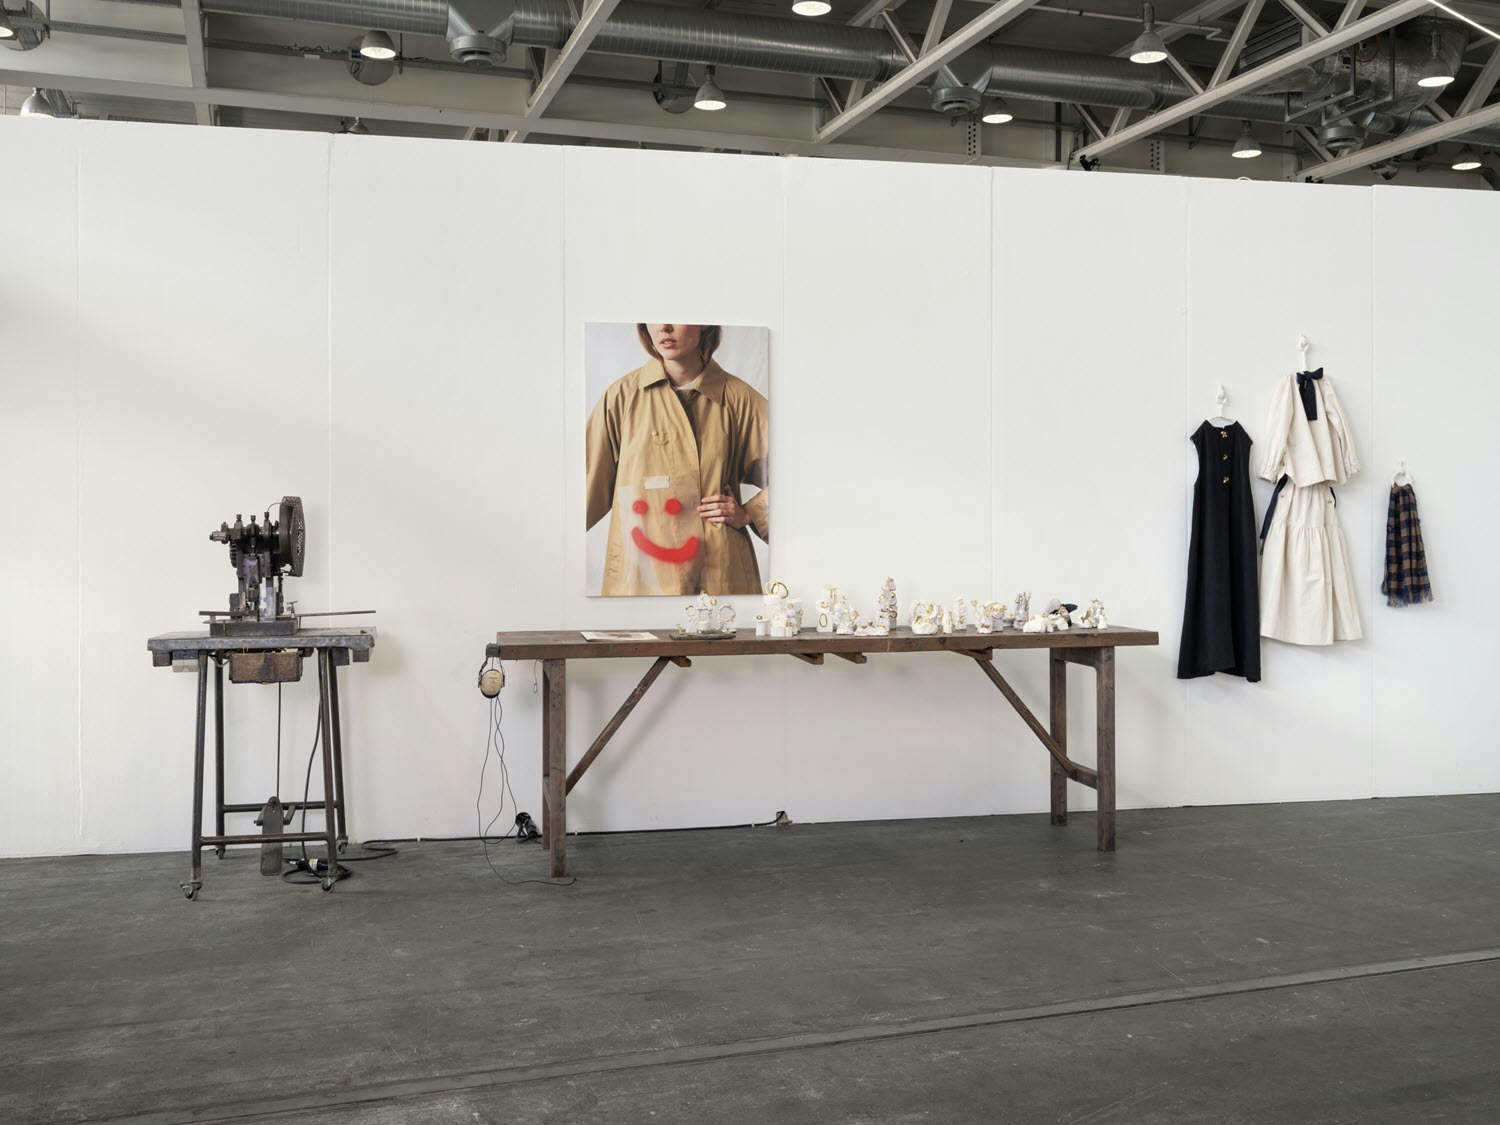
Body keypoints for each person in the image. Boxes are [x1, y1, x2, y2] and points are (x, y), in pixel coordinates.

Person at [586, 323, 769, 596]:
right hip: (639, 578)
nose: (664, 327)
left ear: (704, 322)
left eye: (675, 315)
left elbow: (803, 471)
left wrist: (751, 513)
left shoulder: (738, 399)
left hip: (719, 572)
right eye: (654, 317)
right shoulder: (621, 398)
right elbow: (581, 490)